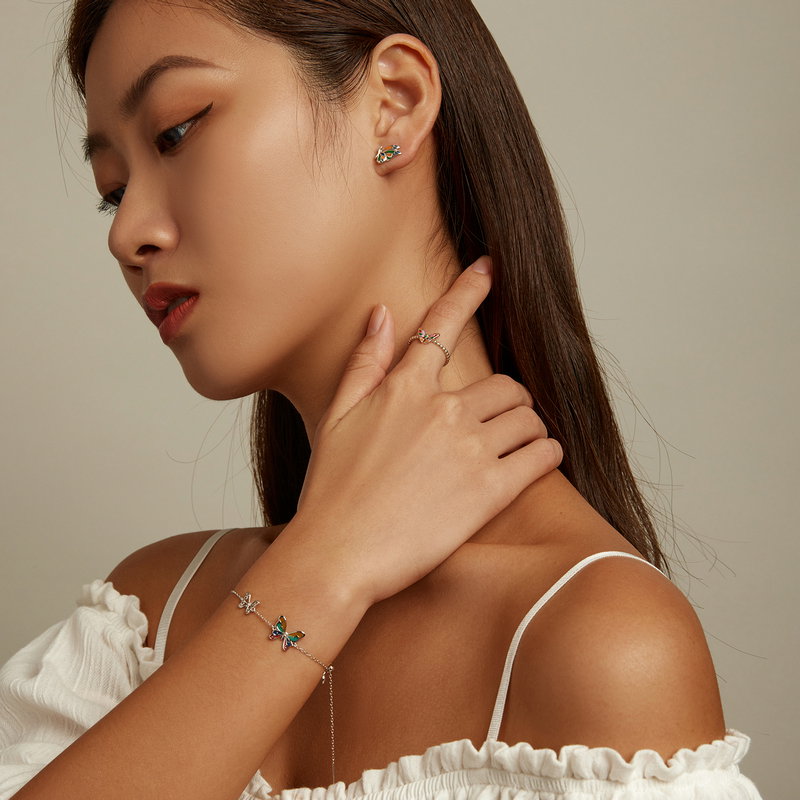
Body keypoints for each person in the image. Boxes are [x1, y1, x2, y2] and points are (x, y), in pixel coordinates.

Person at [0, 0, 762, 798]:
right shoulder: (143, 621)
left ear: (393, 103)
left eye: (176, 132)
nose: (125, 235)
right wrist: (327, 566)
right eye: (113, 189)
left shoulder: (599, 643)